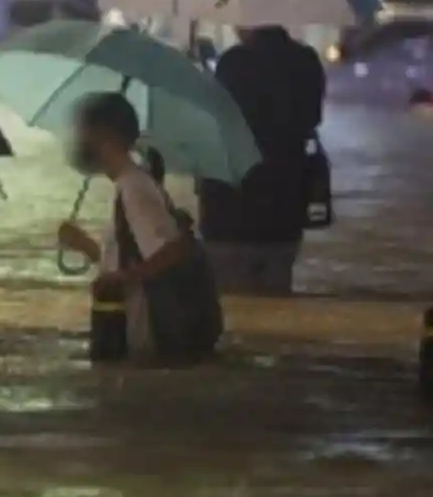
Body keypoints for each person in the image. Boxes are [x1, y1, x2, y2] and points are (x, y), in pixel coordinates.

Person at [56, 92, 199, 356]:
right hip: (135, 335)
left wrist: (122, 279)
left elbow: (175, 250)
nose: (80, 141)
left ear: (106, 137)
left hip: (144, 334)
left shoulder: (134, 187)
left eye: (85, 132)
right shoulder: (130, 184)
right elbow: (135, 256)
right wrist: (86, 246)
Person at [198, 25, 326, 294]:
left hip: (229, 211)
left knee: (233, 304)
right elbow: (313, 119)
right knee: (276, 296)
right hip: (285, 207)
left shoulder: (233, 63)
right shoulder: (306, 61)